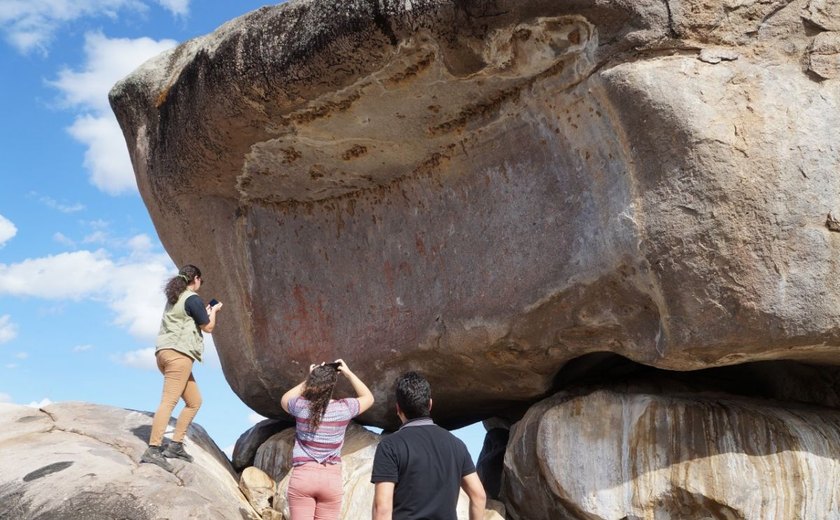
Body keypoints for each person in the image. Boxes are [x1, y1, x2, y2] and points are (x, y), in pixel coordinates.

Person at [371, 371, 487, 520]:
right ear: (430, 404)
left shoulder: (389, 446)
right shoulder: (456, 445)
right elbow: (479, 496)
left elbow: (382, 508)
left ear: (398, 408)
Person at [140, 264, 222, 472]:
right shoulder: (192, 299)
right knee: (169, 401)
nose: (200, 284)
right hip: (179, 355)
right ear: (195, 278)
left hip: (164, 353)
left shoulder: (175, 299)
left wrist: (204, 312)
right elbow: (208, 327)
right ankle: (153, 449)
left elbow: (188, 319)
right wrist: (214, 312)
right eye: (200, 281)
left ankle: (175, 445)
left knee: (194, 402)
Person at [281, 359, 374, 520]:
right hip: (331, 479)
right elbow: (369, 397)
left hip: (303, 476)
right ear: (332, 386)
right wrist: (348, 373)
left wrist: (309, 379)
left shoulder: (301, 407)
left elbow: (285, 398)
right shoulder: (344, 409)